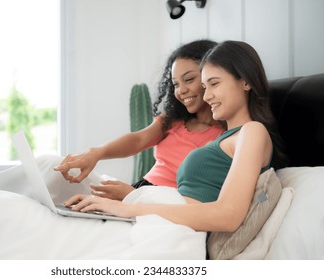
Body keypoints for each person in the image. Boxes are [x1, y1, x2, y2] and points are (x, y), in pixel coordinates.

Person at [65, 40, 288, 231]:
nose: (207, 95)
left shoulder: (252, 131)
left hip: (166, 219)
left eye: (214, 84)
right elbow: (141, 139)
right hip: (157, 210)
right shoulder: (229, 137)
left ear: (245, 81)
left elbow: (228, 215)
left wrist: (129, 206)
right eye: (204, 86)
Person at [54, 39, 225, 200]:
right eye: (175, 84)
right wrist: (95, 153)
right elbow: (138, 139)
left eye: (189, 80)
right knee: (52, 166)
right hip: (140, 190)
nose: (181, 91)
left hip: (166, 202)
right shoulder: (174, 120)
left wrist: (135, 196)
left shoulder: (225, 137)